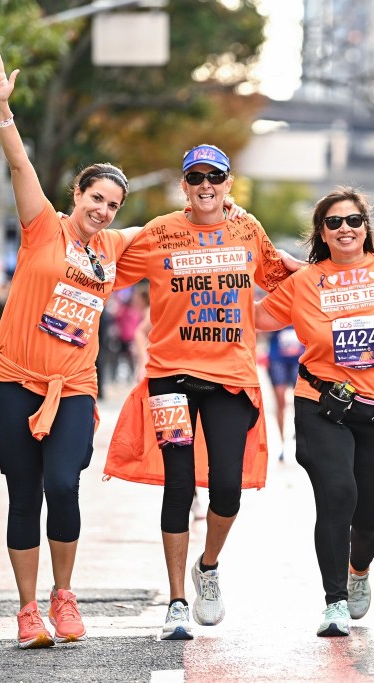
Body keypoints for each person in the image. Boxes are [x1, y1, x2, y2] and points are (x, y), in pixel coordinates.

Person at [0, 52, 142, 650]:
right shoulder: (42, 225)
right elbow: (17, 164)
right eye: (96, 198)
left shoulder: (112, 248)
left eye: (113, 205)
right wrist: (2, 110)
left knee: (63, 486)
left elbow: (175, 232)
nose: (103, 211)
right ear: (77, 193)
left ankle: (65, 595)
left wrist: (222, 209)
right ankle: (28, 610)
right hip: (13, 383)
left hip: (73, 389)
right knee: (23, 494)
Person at [104, 142, 294, 642]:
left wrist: (342, 266)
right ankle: (175, 602)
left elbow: (278, 274)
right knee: (179, 485)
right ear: (184, 187)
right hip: (171, 378)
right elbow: (102, 267)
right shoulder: (160, 232)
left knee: (227, 490)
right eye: (195, 178)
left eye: (215, 176)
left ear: (228, 183)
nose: (205, 185)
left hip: (230, 378)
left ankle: (207, 567)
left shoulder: (247, 229)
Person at [254, 187, 374, 636]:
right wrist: (217, 278)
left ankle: (359, 568)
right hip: (322, 406)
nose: (345, 228)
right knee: (337, 493)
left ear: (366, 228)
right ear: (322, 233)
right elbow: (254, 318)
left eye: (354, 221)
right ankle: (333, 602)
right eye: (334, 223)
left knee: (372, 519)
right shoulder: (305, 283)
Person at [265, 324, 304, 461]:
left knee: (300, 401)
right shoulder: (276, 303)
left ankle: (300, 437)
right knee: (280, 403)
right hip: (278, 360)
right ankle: (282, 445)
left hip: (298, 359)